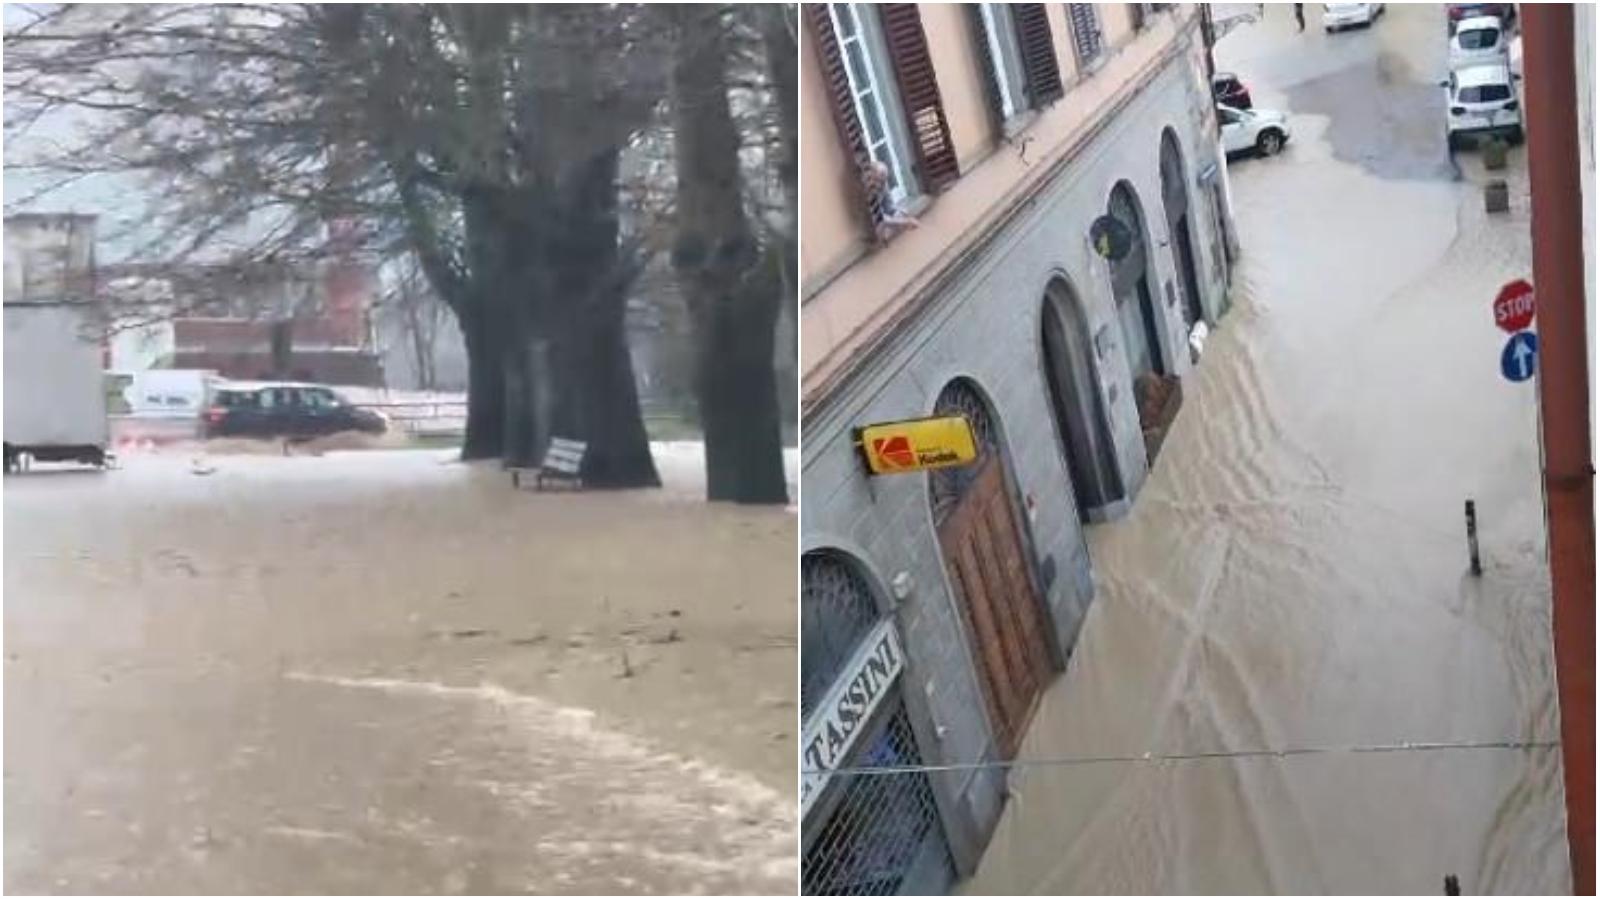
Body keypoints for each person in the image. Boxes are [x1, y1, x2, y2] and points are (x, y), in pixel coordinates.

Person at [862, 160, 919, 244]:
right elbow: (879, 218)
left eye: (884, 181)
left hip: (883, 225)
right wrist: (905, 222)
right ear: (870, 178)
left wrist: (900, 211)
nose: (881, 185)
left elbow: (889, 206)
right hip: (869, 232)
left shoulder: (883, 184)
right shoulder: (866, 192)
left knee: (900, 212)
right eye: (878, 180)